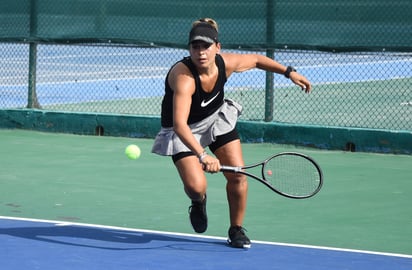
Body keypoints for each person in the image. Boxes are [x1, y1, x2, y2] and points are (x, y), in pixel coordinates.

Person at [152, 18, 311, 248]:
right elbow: (180, 125)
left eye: (205, 46)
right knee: (197, 187)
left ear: (217, 47)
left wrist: (289, 72)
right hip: (185, 129)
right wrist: (202, 155)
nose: (200, 52)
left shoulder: (226, 63)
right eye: (195, 47)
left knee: (238, 176)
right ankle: (198, 202)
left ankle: (236, 229)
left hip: (216, 119)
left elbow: (256, 60)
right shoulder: (183, 77)